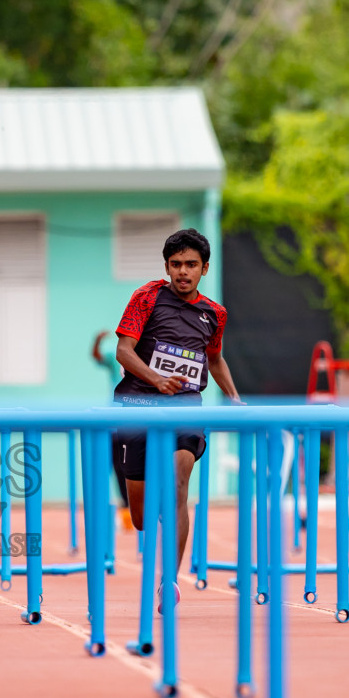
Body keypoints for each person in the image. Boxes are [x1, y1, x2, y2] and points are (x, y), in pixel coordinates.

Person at [112, 229, 243, 607]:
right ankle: (149, 513)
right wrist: (156, 379)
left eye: (190, 265)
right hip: (137, 403)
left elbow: (214, 359)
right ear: (167, 267)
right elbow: (124, 350)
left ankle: (169, 580)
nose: (182, 272)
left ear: (204, 268)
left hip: (185, 405)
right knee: (139, 517)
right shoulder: (147, 296)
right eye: (175, 265)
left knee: (178, 486)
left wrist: (235, 399)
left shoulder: (214, 313)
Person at [90, 330, 129, 521]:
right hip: (114, 421)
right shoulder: (117, 357)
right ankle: (120, 508)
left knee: (132, 464)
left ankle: (135, 507)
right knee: (115, 466)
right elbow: (97, 357)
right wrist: (96, 341)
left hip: (137, 421)